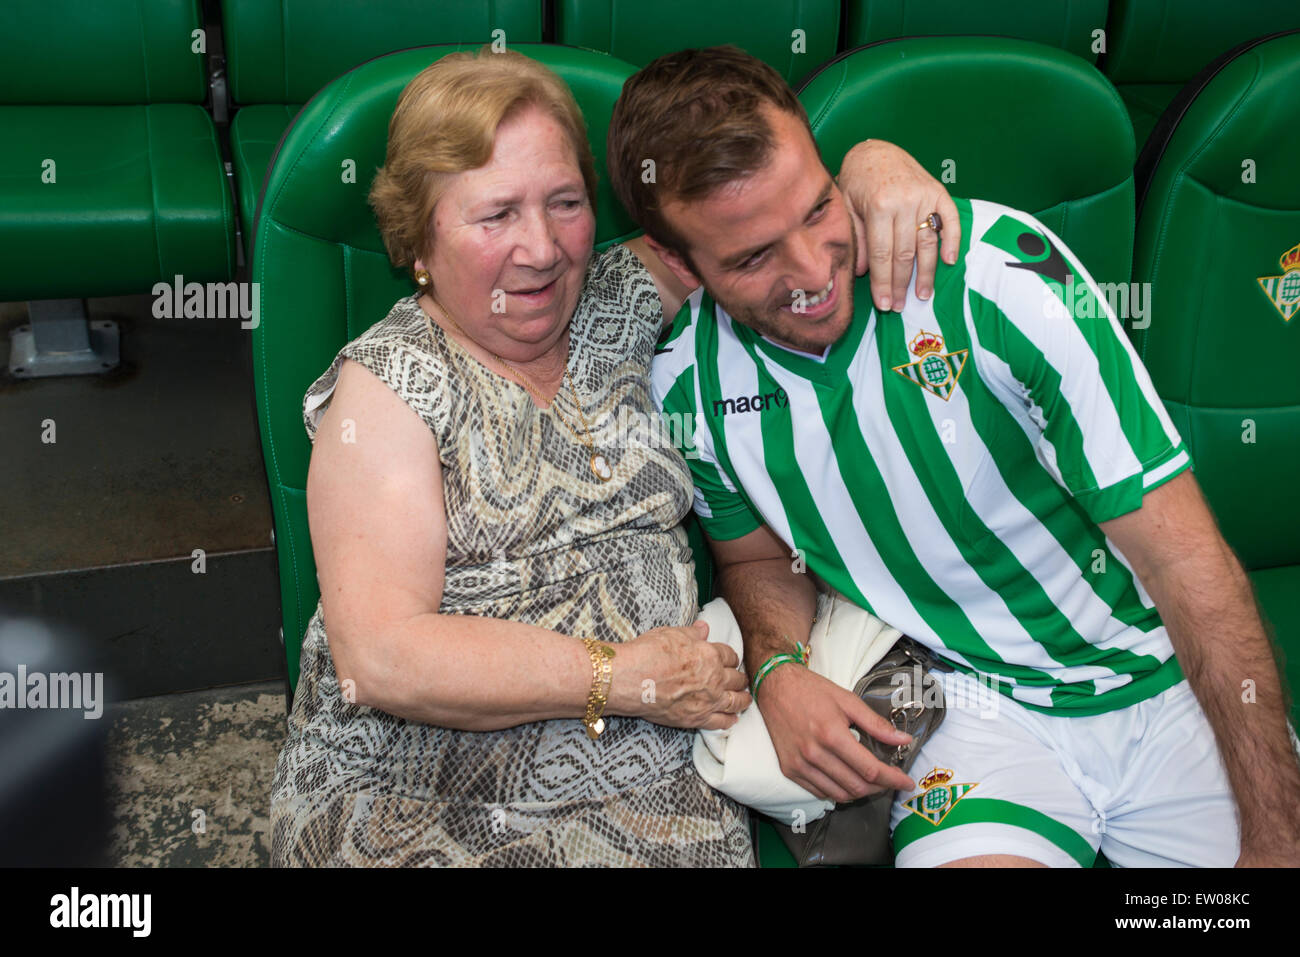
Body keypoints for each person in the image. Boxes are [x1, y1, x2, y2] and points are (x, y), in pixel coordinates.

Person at [606, 45, 1300, 867]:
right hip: (969, 703)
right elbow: (755, 557)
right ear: (682, 265)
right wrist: (779, 670)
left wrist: (1276, 838)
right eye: (753, 258)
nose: (811, 270)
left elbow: (1186, 558)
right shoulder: (686, 382)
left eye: (820, 208)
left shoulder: (997, 277)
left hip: (1160, 679)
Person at [268, 45, 952, 867]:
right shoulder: (393, 384)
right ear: (417, 237)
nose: (543, 248)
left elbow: (763, 226)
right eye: (496, 216)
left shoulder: (620, 295)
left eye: (564, 202)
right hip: (425, 788)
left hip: (652, 783)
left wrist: (873, 167)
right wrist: (619, 675)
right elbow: (382, 656)